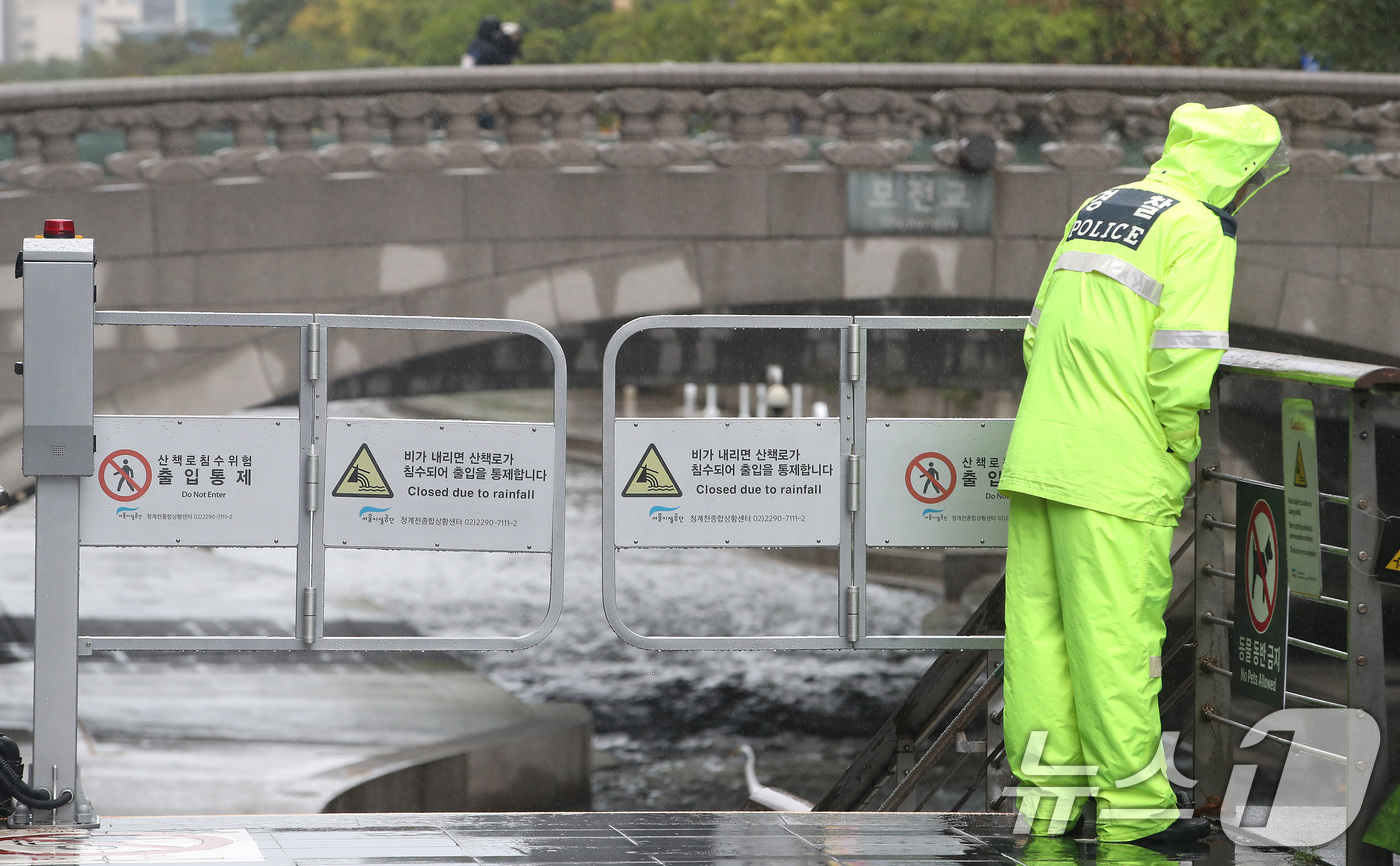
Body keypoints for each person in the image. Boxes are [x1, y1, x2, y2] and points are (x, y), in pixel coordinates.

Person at [998, 103, 1288, 844]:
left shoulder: (1102, 204)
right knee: (1118, 641)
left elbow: (1036, 332)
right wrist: (1174, 448)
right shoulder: (1198, 227)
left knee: (1039, 641)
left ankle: (1048, 807)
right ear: (1243, 173)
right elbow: (1182, 362)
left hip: (1040, 454)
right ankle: (1135, 815)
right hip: (1116, 469)